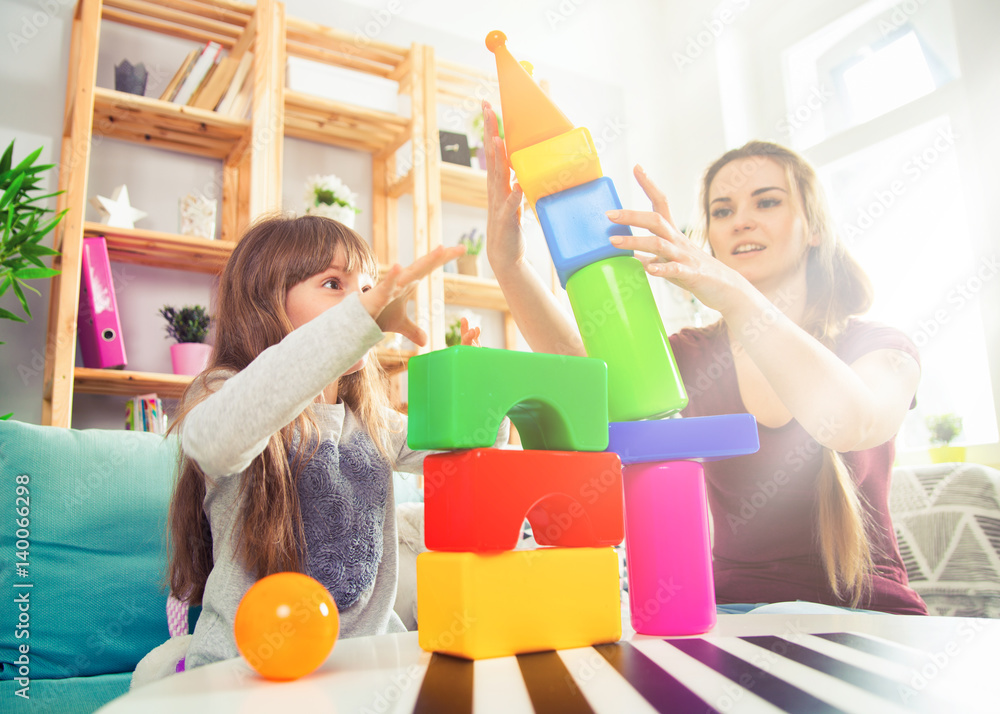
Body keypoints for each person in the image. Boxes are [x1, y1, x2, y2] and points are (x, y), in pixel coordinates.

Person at [481, 99, 927, 616]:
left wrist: (735, 296)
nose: (741, 221)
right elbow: (584, 375)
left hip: (873, 615)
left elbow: (851, 422)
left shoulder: (881, 347)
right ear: (710, 239)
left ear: (815, 228)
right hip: (734, 614)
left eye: (767, 202)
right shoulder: (692, 356)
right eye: (722, 211)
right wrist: (509, 265)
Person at [132, 214, 502, 687]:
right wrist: (357, 321)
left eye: (368, 288)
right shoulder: (225, 392)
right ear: (265, 301)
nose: (364, 302)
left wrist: (479, 394)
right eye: (333, 283)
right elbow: (213, 443)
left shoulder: (371, 421)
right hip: (246, 671)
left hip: (368, 662)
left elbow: (474, 460)